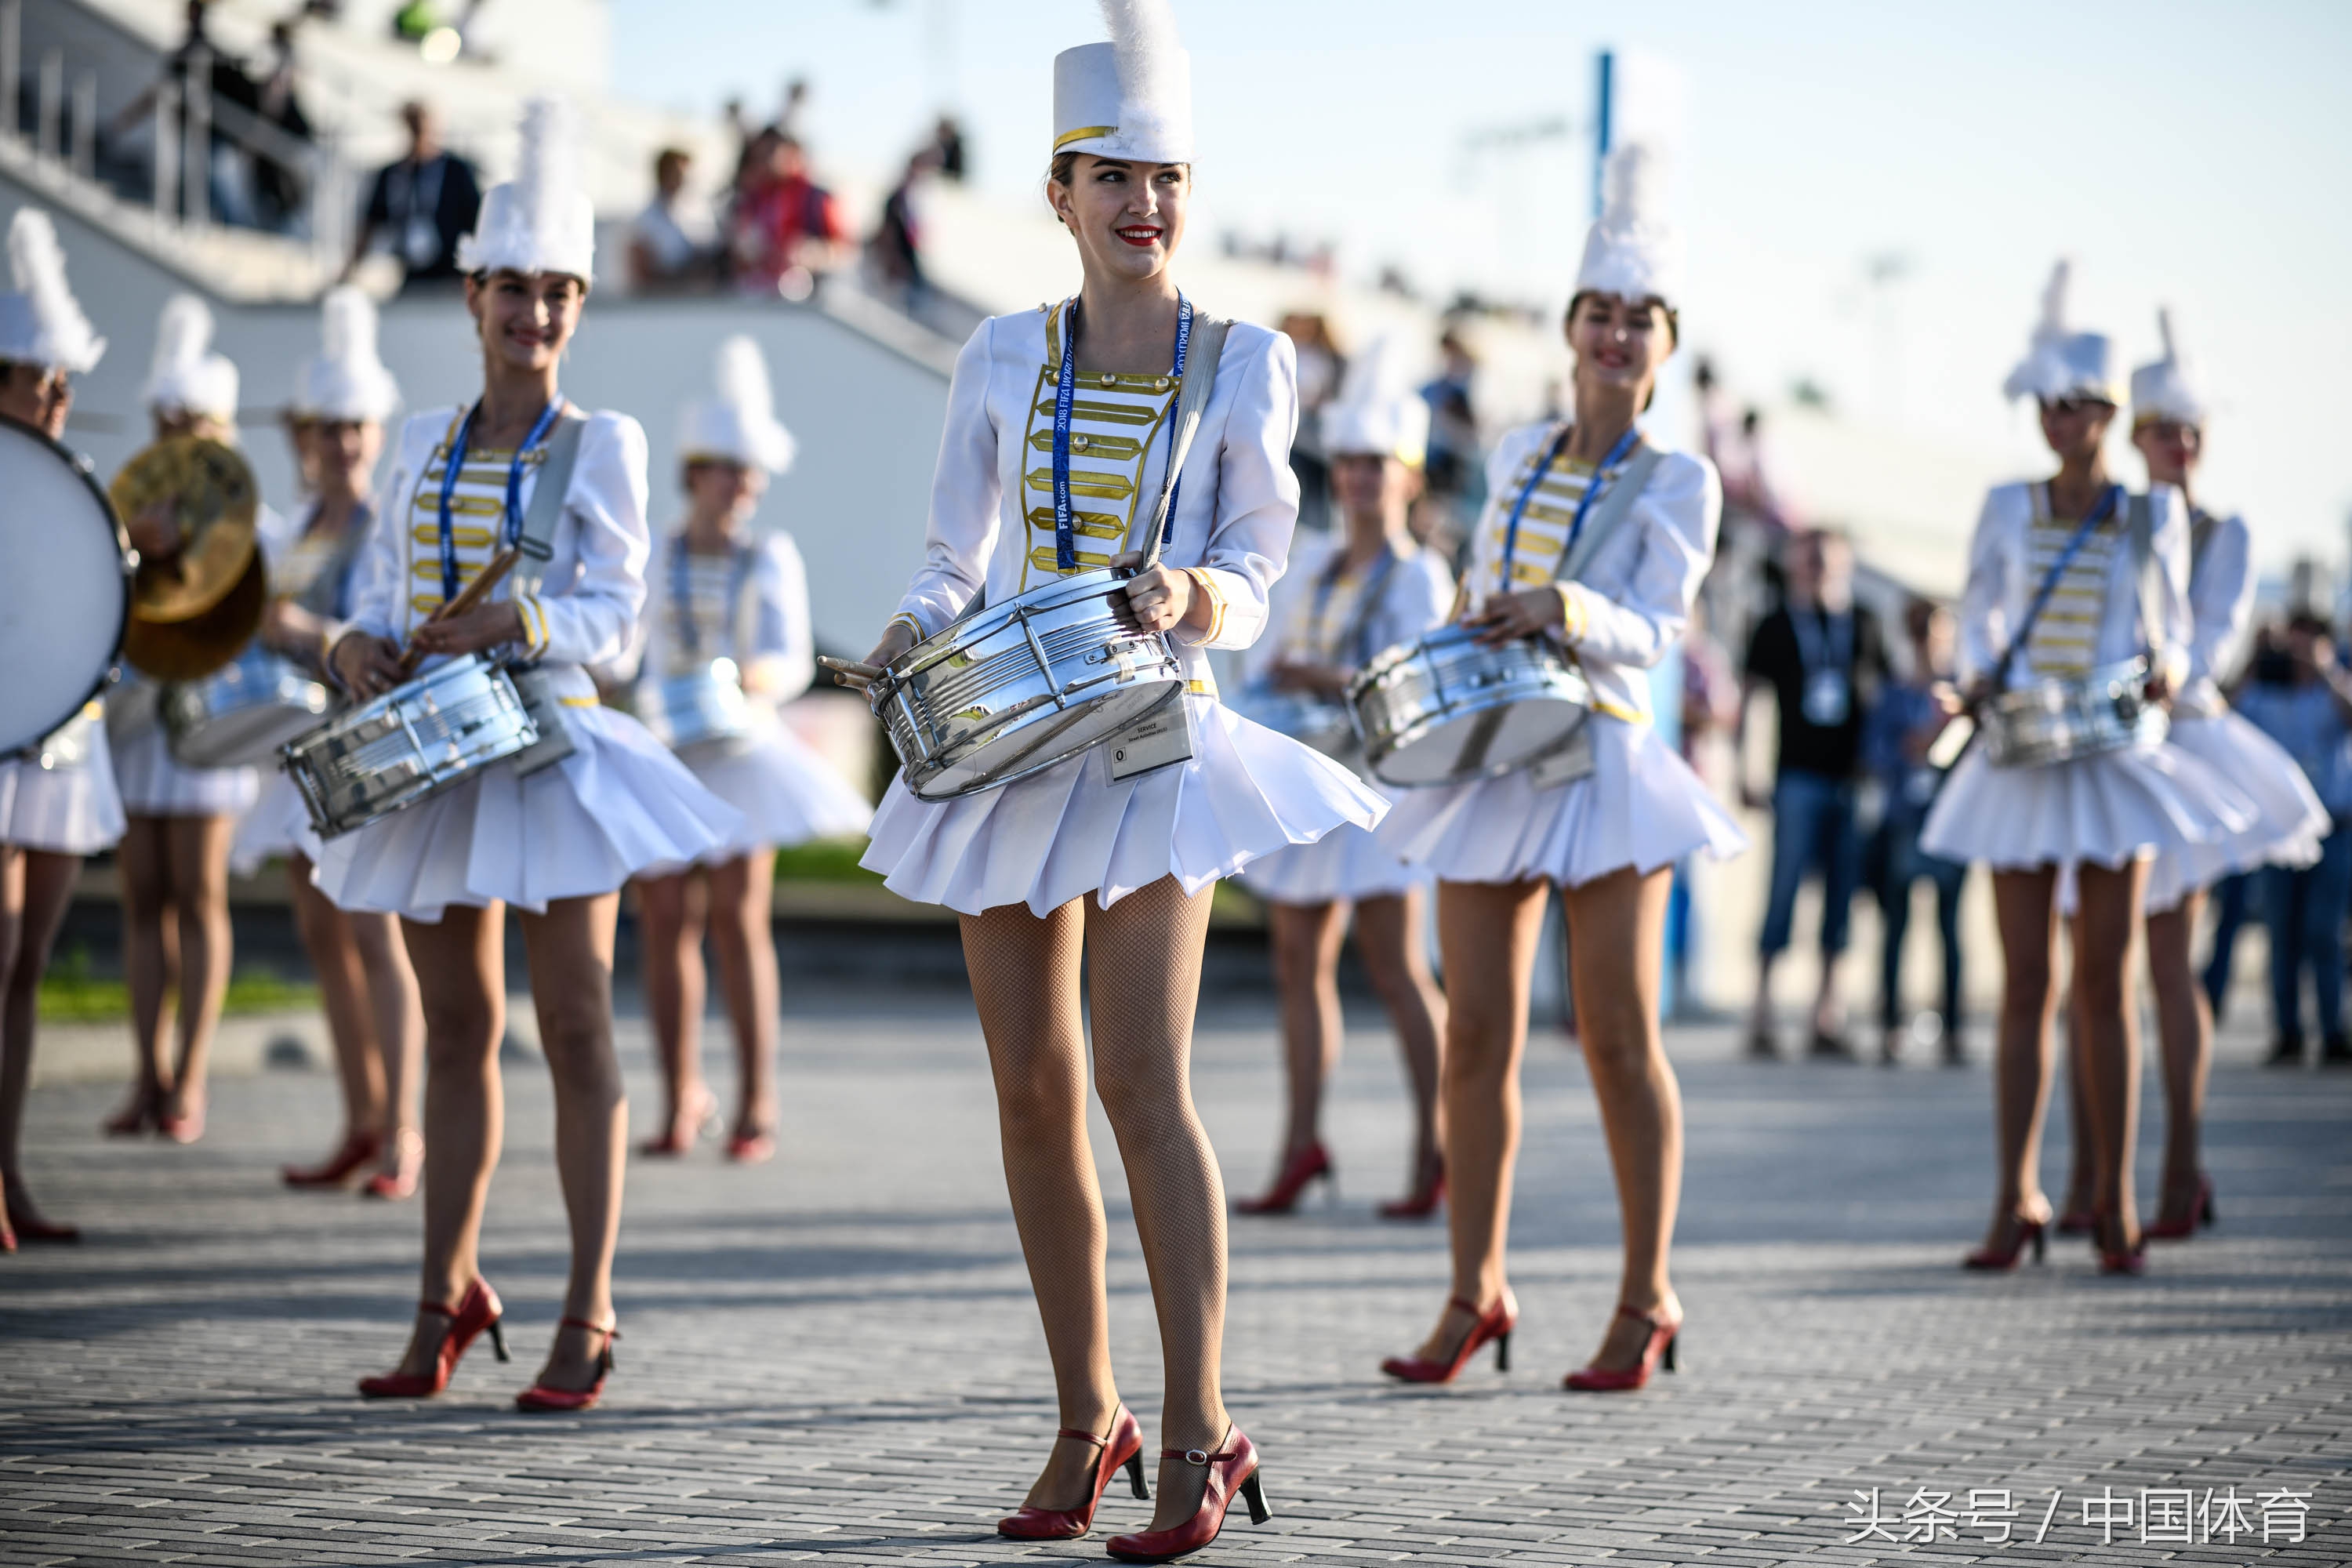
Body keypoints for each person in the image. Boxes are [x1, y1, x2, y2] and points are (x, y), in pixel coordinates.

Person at [844, 5, 1381, 1552]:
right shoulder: (1002, 349)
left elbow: (1260, 562)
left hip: (1155, 736)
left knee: (1143, 1078)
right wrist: (904, 631)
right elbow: (958, 556)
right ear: (1060, 193)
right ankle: (1089, 1416)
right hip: (1012, 740)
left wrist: (1194, 600)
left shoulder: (1244, 359)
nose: (1144, 204)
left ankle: (1202, 1425)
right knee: (1029, 1093)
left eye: (1167, 179)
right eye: (1113, 177)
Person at [321, 99, 740, 1412]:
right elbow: (389, 592)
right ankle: (447, 1297)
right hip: (436, 760)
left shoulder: (600, 443)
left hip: (555, 753)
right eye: (515, 289)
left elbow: (621, 622)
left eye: (559, 292)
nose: (537, 315)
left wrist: (521, 616)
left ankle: (591, 1308)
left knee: (572, 1025)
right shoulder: (422, 445)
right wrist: (353, 646)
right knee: (453, 1030)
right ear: (473, 294)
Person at [1374, 143, 1744, 1394]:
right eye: (1599, 313)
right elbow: (1486, 579)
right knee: (1473, 1032)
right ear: (1571, 324)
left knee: (1616, 1038)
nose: (1616, 335)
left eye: (1640, 319)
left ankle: (1648, 1296)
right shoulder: (1523, 451)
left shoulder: (1678, 477)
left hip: (1602, 759)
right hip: (1497, 753)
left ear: (1666, 340)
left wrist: (1563, 606)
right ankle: (1474, 1290)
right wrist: (1486, 611)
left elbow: (1660, 629)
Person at [1921, 261, 2252, 1278]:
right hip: (2021, 755)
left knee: (2106, 987)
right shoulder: (2003, 504)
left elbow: (2187, 638)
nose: (2063, 420)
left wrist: (2168, 674)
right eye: (2050, 404)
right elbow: (1977, 613)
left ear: (2111, 412)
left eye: (2082, 406)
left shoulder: (2150, 517)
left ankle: (2111, 1196)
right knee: (2024, 984)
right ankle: (2015, 1194)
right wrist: (1968, 680)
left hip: (2113, 758)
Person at [2050, 313, 2329, 1236]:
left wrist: (2155, 680)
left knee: (2167, 963)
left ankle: (2177, 1170)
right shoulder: (2115, 519)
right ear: (2136, 437)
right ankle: (2093, 1171)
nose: (2180, 444)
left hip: (2178, 748)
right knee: (2092, 968)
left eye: (2192, 430)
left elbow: (2206, 644)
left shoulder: (2225, 529)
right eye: (2164, 429)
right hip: (2102, 746)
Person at [630, 336, 873, 1164]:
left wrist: (749, 678)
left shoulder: (768, 554)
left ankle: (756, 1100)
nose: (745, 486)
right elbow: (630, 650)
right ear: (696, 470)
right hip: (667, 746)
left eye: (752, 472)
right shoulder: (654, 551)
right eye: (730, 468)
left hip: (739, 743)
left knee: (738, 919)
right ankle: (678, 1093)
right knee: (663, 919)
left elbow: (789, 656)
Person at [1229, 339, 1453, 1220]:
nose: (1360, 477)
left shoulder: (1419, 574)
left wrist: (1316, 677)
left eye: (1377, 464)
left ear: (1408, 476)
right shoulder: (1315, 559)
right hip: (1310, 777)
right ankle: (1301, 1143)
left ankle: (1437, 1147)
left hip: (1381, 791)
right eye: (1352, 461)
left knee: (1398, 968)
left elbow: (1409, 686)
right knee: (1298, 962)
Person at [231, 286, 427, 1200]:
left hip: (359, 751)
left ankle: (403, 1133)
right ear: (305, 436)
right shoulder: (299, 524)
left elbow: (375, 633)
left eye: (356, 427)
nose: (342, 443)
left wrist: (301, 628)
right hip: (295, 748)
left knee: (374, 934)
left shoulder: (386, 521)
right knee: (323, 933)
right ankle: (359, 1116)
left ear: (375, 431)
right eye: (326, 428)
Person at [103, 295, 270, 1145]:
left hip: (211, 727)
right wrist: (134, 549)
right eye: (167, 417)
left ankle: (190, 1078)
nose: (177, 431)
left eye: (194, 419)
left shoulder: (247, 524)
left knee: (200, 895)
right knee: (144, 899)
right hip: (141, 719)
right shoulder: (131, 513)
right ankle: (145, 1070)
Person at [0, 209, 114, 1250]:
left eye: (65, 384)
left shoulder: (83, 493)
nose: (58, 402)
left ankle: (11, 1168)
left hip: (63, 747)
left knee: (29, 961)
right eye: (41, 382)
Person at [1739, 528, 1889, 1058]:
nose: (1819, 569)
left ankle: (1828, 1014)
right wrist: (1746, 769)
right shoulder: (1776, 625)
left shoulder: (1865, 623)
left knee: (1842, 898)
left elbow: (1886, 697)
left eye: (1828, 560)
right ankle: (1761, 1012)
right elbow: (1751, 700)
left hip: (1850, 780)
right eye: (1810, 561)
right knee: (1782, 893)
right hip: (1795, 777)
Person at [2231, 615, 2352, 1069]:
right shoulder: (2267, 689)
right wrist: (2252, 657)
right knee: (2282, 936)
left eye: (2308, 646)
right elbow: (2225, 719)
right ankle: (2288, 1034)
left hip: (2334, 831)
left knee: (2324, 934)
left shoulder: (2333, 689)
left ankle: (2334, 1032)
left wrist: (2326, 670)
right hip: (2280, 835)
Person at [1861, 600, 1968, 1065]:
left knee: (1949, 928)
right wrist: (1911, 748)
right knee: (1897, 927)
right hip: (1904, 819)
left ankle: (1953, 1030)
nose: (1929, 640)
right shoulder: (1895, 694)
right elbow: (1874, 752)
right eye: (1921, 631)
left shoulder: (1963, 697)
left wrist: (1942, 739)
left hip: (1951, 823)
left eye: (1936, 630)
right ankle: (1890, 1027)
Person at [343, 102, 483, 290]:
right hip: (412, 274)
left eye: (422, 123)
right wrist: (347, 274)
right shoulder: (393, 175)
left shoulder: (456, 171)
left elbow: (477, 222)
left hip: (452, 277)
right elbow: (370, 224)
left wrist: (477, 275)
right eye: (412, 124)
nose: (417, 131)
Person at [730, 134, 846, 301]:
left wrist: (814, 253)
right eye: (758, 157)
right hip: (761, 296)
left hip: (808, 299)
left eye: (770, 153)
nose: (763, 162)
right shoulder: (754, 200)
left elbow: (846, 251)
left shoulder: (817, 197)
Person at [626, 147, 715, 294]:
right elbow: (639, 270)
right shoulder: (646, 220)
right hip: (661, 301)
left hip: (697, 299)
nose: (682, 180)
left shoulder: (700, 213)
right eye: (677, 174)